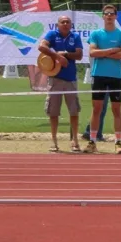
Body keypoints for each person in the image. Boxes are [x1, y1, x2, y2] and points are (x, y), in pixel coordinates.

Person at [85, 4, 121, 154]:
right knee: (96, 109)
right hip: (99, 75)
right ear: (103, 16)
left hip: (115, 76)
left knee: (116, 109)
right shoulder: (96, 34)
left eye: (112, 13)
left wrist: (102, 53)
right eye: (106, 13)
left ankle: (118, 142)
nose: (109, 16)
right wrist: (111, 50)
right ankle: (92, 141)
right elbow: (92, 52)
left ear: (116, 16)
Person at [38, 15, 84, 152]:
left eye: (67, 22)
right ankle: (54, 141)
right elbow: (41, 46)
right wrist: (57, 56)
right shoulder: (52, 34)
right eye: (62, 22)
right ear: (58, 24)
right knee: (53, 112)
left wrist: (66, 54)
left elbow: (79, 55)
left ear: (71, 25)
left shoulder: (75, 37)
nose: (65, 24)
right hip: (55, 78)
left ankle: (75, 140)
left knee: (74, 111)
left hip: (70, 79)